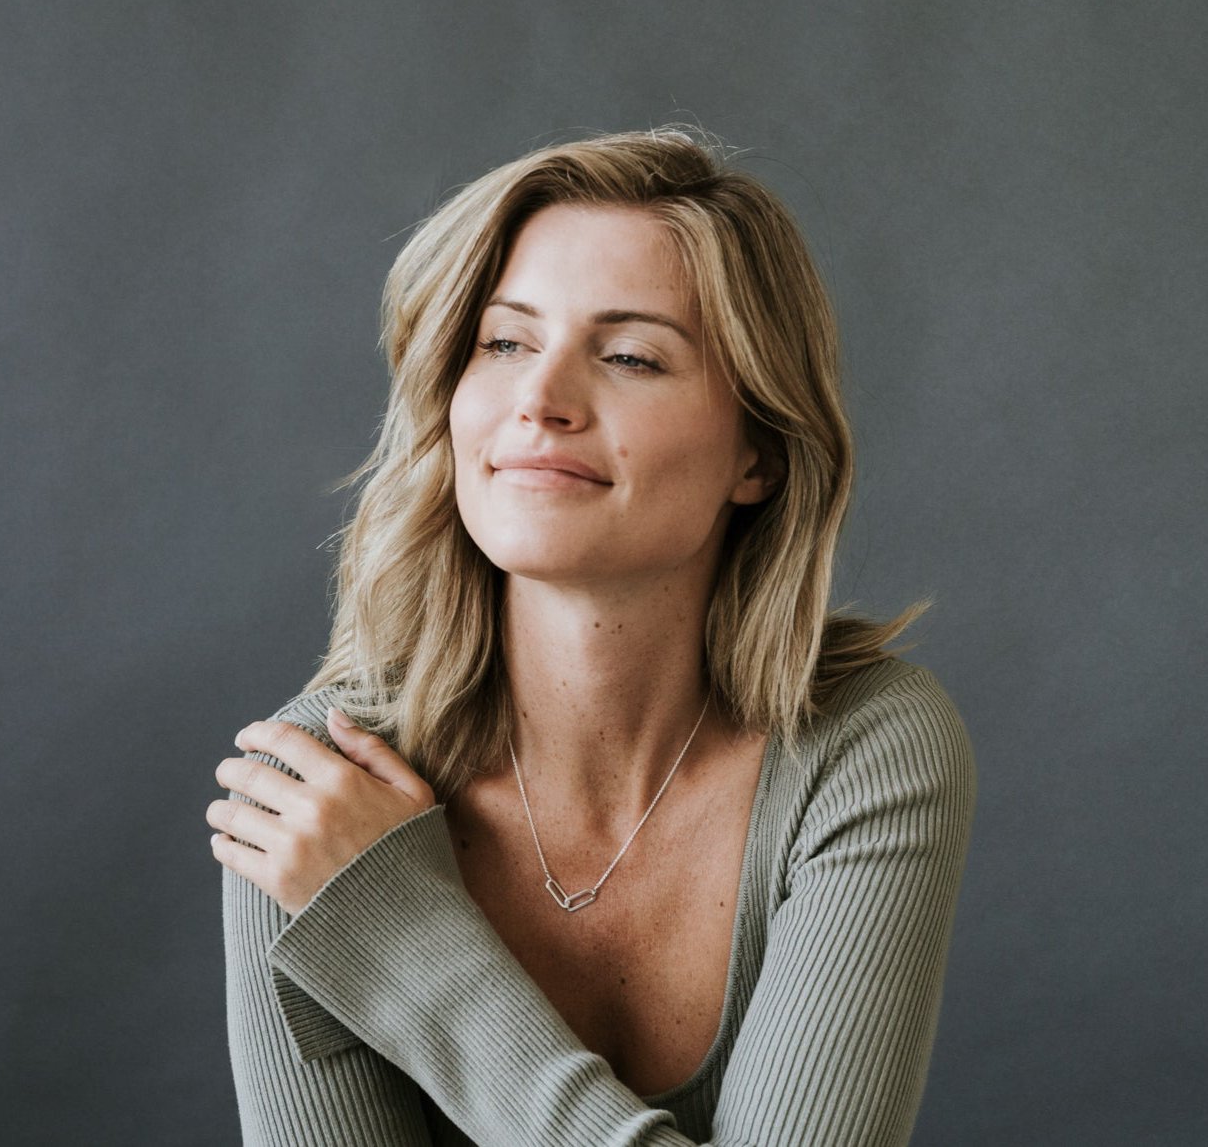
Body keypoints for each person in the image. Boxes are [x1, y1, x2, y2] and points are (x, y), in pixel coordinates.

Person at [206, 128, 977, 1146]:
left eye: (628, 356)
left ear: (758, 452)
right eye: (505, 341)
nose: (541, 398)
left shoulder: (866, 746)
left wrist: (401, 938)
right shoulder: (313, 796)